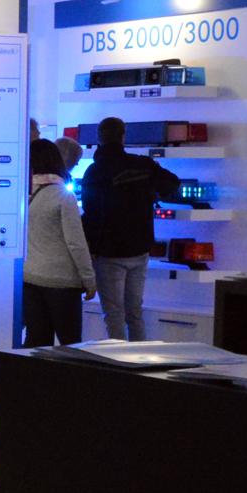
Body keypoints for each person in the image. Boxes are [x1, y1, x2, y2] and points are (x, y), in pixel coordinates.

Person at [81, 116, 182, 340]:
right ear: (123, 136)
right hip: (140, 247)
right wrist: (151, 195)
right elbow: (172, 183)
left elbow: (91, 214)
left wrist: (91, 248)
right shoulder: (143, 164)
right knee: (135, 312)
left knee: (113, 314)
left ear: (99, 138)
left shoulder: (95, 171)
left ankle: (117, 358)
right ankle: (138, 354)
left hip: (109, 252)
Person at [22, 138, 97, 348]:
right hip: (62, 281)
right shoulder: (63, 195)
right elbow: (75, 243)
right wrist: (89, 279)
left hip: (29, 277)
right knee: (71, 344)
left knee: (37, 341)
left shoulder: (21, 194)